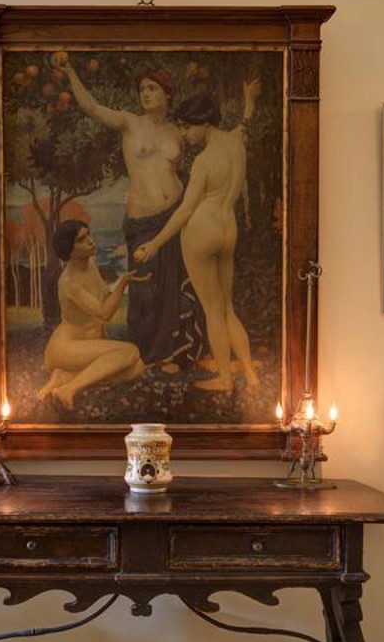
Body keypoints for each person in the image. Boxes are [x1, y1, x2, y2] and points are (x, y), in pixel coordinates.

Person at [52, 56, 204, 370]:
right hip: (143, 221)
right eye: (142, 89)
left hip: (174, 216)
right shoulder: (129, 122)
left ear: (166, 93)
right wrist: (70, 71)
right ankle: (145, 355)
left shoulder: (177, 133)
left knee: (171, 286)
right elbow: (92, 107)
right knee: (145, 289)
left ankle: (174, 355)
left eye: (152, 88)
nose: (145, 94)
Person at [132, 81, 261, 393]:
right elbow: (245, 123)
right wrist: (248, 100)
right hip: (228, 229)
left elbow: (185, 211)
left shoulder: (204, 161)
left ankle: (225, 379)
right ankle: (250, 374)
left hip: (202, 230)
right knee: (228, 307)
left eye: (187, 126)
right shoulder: (236, 142)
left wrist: (155, 243)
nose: (185, 134)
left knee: (213, 309)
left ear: (204, 123)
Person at [38, 220, 148, 410]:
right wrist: (123, 284)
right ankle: (68, 389)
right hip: (65, 347)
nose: (90, 241)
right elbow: (105, 313)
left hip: (87, 344)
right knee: (130, 352)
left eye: (88, 234)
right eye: (81, 239)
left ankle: (65, 377)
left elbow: (103, 295)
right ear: (69, 250)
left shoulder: (90, 263)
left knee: (137, 367)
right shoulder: (69, 282)